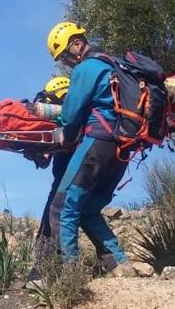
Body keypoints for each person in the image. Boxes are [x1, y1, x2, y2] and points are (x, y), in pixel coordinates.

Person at [43, 21, 130, 268]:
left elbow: (70, 117)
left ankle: (71, 275)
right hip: (121, 149)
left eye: (64, 57)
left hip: (97, 143)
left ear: (77, 44)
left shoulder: (87, 68)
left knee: (61, 207)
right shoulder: (113, 66)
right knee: (89, 210)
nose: (65, 64)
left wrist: (64, 135)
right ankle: (120, 265)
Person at [25, 76, 117, 282]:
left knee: (56, 212)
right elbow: (45, 160)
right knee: (84, 213)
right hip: (83, 173)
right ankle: (113, 260)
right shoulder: (68, 121)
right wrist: (38, 152)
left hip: (75, 174)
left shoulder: (78, 115)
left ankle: (51, 270)